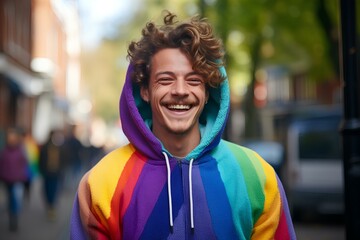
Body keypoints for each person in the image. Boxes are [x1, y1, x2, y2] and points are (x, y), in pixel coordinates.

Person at [70, 11, 296, 239]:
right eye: (166, 80)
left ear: (208, 92)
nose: (180, 91)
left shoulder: (257, 177)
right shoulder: (101, 183)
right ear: (145, 91)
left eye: (194, 80)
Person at [0, 127, 30, 231]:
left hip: (18, 180)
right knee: (10, 200)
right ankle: (11, 217)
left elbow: (26, 163)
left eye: (13, 137)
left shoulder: (21, 149)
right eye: (9, 137)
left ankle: (14, 220)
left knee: (16, 200)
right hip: (7, 180)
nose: (11, 139)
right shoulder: (4, 150)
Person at [38, 130, 65, 220]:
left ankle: (52, 206)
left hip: (56, 173)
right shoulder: (45, 147)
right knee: (47, 190)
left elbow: (64, 159)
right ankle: (50, 205)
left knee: (54, 190)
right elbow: (41, 159)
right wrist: (41, 170)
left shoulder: (60, 147)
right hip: (47, 172)